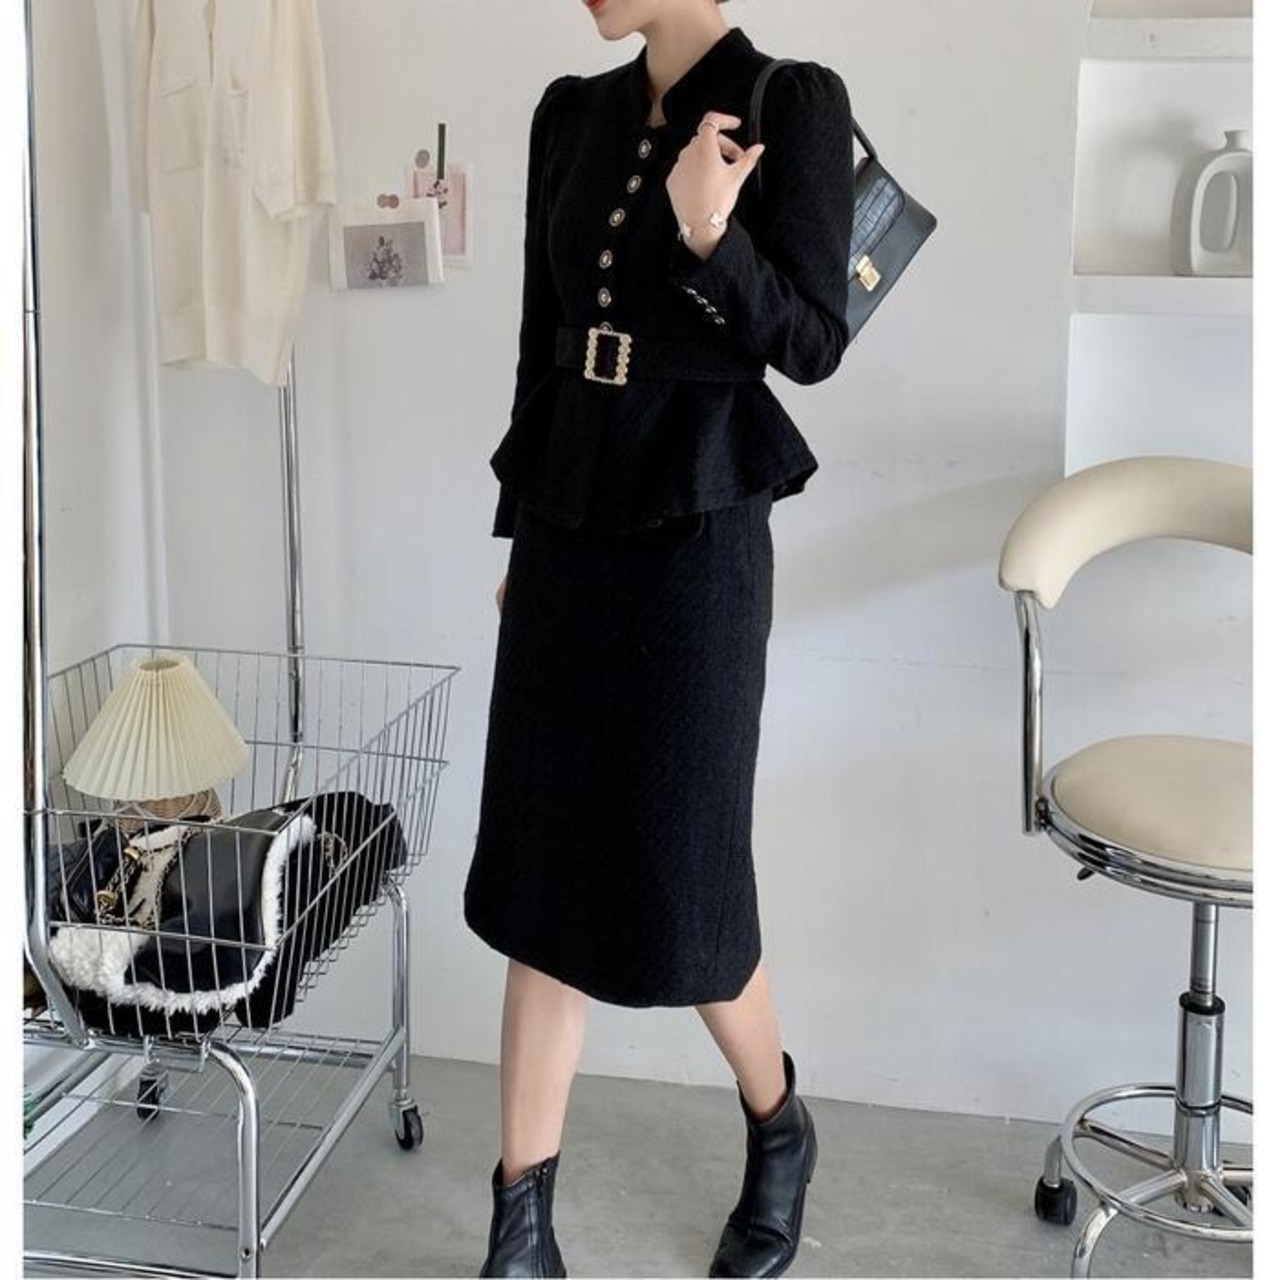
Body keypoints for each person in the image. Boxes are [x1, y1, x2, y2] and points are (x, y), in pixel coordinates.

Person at [463, 0, 856, 1274]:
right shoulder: (567, 116)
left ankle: (778, 1121)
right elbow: (538, 338)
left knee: (684, 878)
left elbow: (812, 341)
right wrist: (522, 537)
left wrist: (706, 233)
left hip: (696, 531)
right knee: (543, 868)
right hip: (568, 518)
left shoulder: (792, 103)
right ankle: (519, 1224)